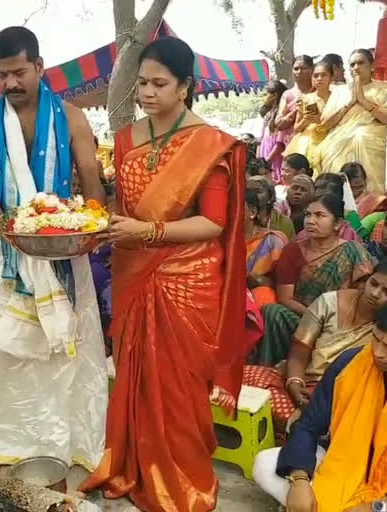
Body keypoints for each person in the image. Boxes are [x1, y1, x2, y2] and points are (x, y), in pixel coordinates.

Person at [75, 36, 246, 511]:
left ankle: (181, 483)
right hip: (135, 273)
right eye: (141, 83)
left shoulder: (209, 144)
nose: (147, 93)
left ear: (185, 86)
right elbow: (125, 209)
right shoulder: (128, 139)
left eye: (159, 83)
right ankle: (133, 465)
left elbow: (212, 222)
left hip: (186, 282)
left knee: (177, 391)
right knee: (136, 378)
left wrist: (148, 231)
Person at [0, 25, 108, 470]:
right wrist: (11, 229)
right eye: (2, 74)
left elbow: (92, 181)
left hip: (65, 245)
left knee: (67, 343)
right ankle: (8, 440)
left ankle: (69, 441)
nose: (10, 83)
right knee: (1, 345)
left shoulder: (70, 116)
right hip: (6, 249)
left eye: (19, 72)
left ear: (40, 67)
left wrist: (85, 227)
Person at [252, 305, 387, 511]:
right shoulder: (351, 363)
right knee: (265, 464)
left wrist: (374, 504)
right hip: (343, 465)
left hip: (381, 490)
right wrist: (299, 479)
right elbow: (308, 425)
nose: (378, 353)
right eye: (376, 339)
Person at [245, 260, 387, 433]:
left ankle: (302, 429)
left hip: (340, 400)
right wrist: (295, 386)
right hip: (302, 383)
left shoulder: (382, 332)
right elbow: (298, 355)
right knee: (241, 381)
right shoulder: (329, 303)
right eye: (373, 283)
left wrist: (324, 398)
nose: (375, 293)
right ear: (368, 278)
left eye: (385, 291)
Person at [254, 194, 374, 366]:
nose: (310, 221)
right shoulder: (292, 250)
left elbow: (362, 297)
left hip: (340, 324)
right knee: (272, 312)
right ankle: (275, 369)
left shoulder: (353, 251)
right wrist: (316, 316)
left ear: (338, 223)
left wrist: (331, 320)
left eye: (319, 215)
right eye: (308, 215)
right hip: (302, 318)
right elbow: (285, 298)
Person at [313, 49, 387, 193]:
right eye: (352, 64)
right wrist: (349, 104)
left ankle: (373, 195)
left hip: (373, 131)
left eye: (360, 63)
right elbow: (326, 124)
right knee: (332, 147)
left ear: (372, 66)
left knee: (361, 136)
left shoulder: (384, 88)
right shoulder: (339, 91)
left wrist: (364, 101)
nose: (356, 68)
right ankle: (336, 196)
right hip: (340, 134)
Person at [284, 60, 333, 167]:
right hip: (308, 138)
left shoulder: (336, 97)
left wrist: (319, 120)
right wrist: (305, 120)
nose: (319, 79)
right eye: (316, 76)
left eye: (324, 75)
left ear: (331, 77)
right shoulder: (306, 99)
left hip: (330, 136)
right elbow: (296, 128)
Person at [247, 188, 288, 308]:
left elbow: (284, 283)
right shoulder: (218, 239)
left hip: (260, 295)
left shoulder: (272, 241)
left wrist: (259, 280)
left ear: (253, 212)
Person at [275, 55, 315, 144]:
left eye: (304, 68)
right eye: (296, 69)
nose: (299, 72)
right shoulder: (288, 95)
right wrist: (295, 111)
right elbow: (279, 124)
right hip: (291, 144)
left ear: (312, 70)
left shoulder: (318, 92)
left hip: (313, 142)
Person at [258, 80, 289, 182]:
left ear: (274, 95)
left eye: (265, 94)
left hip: (274, 158)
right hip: (265, 154)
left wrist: (268, 160)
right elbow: (261, 139)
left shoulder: (280, 115)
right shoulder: (268, 114)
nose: (263, 98)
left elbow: (279, 144)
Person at [248, 176, 296, 241]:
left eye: (258, 191)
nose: (253, 195)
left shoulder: (284, 222)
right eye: (249, 191)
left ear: (270, 196)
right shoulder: (239, 220)